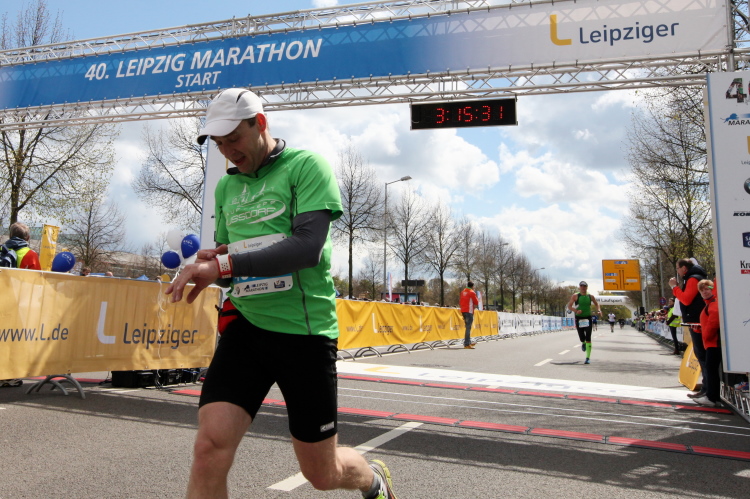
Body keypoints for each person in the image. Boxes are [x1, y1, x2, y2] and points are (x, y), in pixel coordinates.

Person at [164, 88, 397, 499]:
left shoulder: (306, 166)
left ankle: (372, 479)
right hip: (246, 328)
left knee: (322, 474)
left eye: (234, 139)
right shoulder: (226, 188)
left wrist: (224, 266)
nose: (228, 152)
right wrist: (213, 264)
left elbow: (306, 248)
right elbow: (233, 262)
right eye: (219, 144)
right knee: (208, 449)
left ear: (260, 123)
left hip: (303, 334)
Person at [669, 258, 708, 399]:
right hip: (696, 321)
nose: (677, 271)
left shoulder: (693, 279)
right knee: (701, 355)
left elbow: (686, 299)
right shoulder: (693, 277)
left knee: (702, 355)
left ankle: (707, 389)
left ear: (684, 268)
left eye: (678, 268)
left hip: (698, 322)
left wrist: (674, 287)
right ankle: (706, 388)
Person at [694, 279, 722, 407]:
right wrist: (701, 329)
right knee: (712, 370)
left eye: (707, 289)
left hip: (714, 343)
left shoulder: (713, 304)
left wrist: (705, 335)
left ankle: (711, 398)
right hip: (712, 342)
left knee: (711, 370)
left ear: (712, 289)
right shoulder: (710, 304)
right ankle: (713, 397)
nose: (704, 292)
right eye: (702, 290)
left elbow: (714, 323)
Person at [566, 281, 601, 364]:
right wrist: (576, 311)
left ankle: (588, 358)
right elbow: (569, 306)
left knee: (588, 337)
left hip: (588, 318)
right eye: (581, 286)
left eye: (584, 286)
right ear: (579, 287)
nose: (583, 288)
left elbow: (597, 304)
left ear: (587, 287)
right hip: (579, 318)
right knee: (582, 337)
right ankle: (583, 342)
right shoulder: (575, 296)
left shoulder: (590, 296)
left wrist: (599, 310)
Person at [459, 281, 479, 349]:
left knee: (467, 327)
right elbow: (476, 302)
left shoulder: (463, 292)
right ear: (472, 286)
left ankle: (468, 342)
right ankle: (467, 344)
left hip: (463, 310)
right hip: (469, 311)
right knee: (468, 328)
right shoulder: (471, 292)